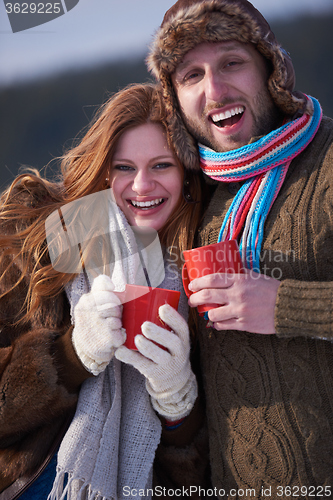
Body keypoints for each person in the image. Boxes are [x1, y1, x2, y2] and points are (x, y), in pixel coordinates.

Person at [147, 0, 333, 496]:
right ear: (174, 99)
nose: (215, 90)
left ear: (271, 70)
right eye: (191, 75)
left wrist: (288, 306)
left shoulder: (330, 161)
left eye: (232, 62)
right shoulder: (189, 198)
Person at [0, 82, 205, 499]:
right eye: (124, 168)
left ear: (186, 174)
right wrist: (72, 355)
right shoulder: (29, 242)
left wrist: (178, 398)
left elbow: (197, 475)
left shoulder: (198, 271)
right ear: (101, 169)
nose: (142, 186)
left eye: (162, 165)